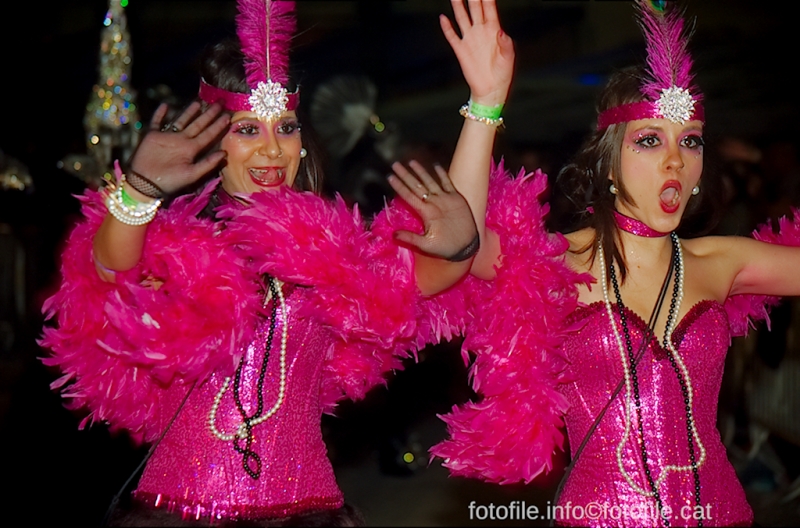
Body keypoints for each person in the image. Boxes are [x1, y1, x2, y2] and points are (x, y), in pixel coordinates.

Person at [40, 1, 480, 526]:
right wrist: (138, 192)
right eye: (248, 129)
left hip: (308, 513)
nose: (272, 150)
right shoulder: (166, 239)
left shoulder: (337, 251)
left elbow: (438, 274)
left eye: (287, 128)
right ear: (210, 140)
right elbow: (110, 274)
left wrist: (486, 105)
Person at [427, 1, 800, 526]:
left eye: (689, 141)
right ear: (608, 163)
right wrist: (486, 103)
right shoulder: (557, 261)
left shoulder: (724, 261)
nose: (675, 159)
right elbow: (458, 241)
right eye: (649, 141)